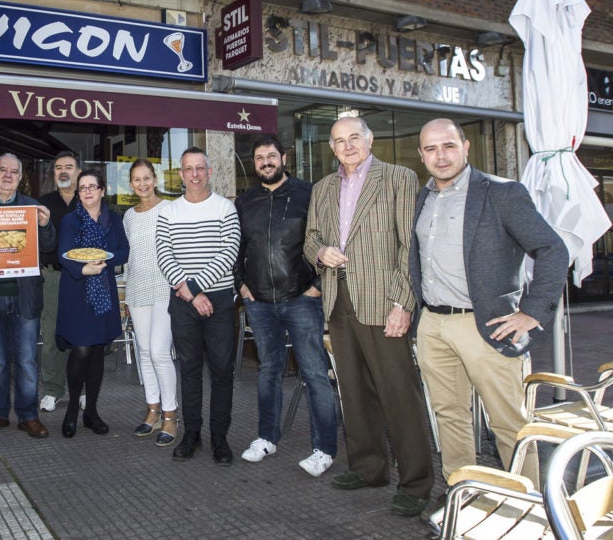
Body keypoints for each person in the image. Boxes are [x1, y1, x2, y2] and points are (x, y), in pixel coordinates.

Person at [410, 118, 568, 511]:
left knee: (508, 421)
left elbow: (552, 250)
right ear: (421, 155)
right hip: (433, 324)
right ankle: (463, 492)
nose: (440, 156)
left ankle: (523, 503)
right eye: (430, 149)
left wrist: (531, 312)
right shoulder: (421, 198)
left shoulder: (502, 193)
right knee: (449, 414)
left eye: (448, 146)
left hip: (487, 326)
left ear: (465, 146)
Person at [304, 116, 434, 517]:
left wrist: (402, 303)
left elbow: (408, 247)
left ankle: (416, 483)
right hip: (339, 301)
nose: (347, 146)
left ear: (369, 139)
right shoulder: (323, 187)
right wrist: (320, 253)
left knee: (399, 393)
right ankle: (368, 467)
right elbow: (310, 238)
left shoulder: (398, 178)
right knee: (354, 393)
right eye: (339, 141)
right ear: (331, 146)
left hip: (384, 303)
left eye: (354, 138)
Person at [235, 135, 337, 476]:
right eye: (260, 157)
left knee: (315, 374)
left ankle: (324, 449)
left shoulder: (309, 195)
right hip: (259, 302)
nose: (266, 162)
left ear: (284, 157)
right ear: (255, 163)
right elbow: (237, 246)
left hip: (301, 300)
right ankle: (266, 437)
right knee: (268, 372)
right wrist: (242, 285)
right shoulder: (245, 201)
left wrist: (318, 287)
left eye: (271, 156)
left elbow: (330, 239)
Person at [155, 147, 240, 465]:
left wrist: (195, 287)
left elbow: (229, 252)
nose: (194, 174)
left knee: (222, 372)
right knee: (189, 371)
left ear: (209, 171)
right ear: (181, 174)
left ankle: (220, 438)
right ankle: (191, 435)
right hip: (183, 302)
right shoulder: (169, 212)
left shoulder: (225, 208)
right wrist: (191, 294)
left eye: (200, 168)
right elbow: (164, 254)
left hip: (218, 300)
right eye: (188, 168)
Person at [0, 154, 56, 438]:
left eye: (14, 171)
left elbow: (49, 245)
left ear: (21, 178)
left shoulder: (32, 207)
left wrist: (45, 225)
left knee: (28, 360)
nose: (8, 175)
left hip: (24, 296)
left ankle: (29, 416)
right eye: (2, 170)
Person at [56, 170, 129, 438]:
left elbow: (124, 250)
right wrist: (83, 269)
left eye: (92, 186)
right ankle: (73, 408)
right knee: (82, 350)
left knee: (97, 350)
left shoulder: (114, 220)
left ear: (102, 190)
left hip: (104, 291)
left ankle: (92, 412)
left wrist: (104, 262)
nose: (87, 191)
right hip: (77, 291)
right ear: (78, 193)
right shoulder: (70, 220)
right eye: (82, 187)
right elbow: (64, 253)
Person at [122, 158, 178, 446]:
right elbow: (131, 256)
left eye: (146, 178)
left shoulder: (170, 208)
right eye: (136, 179)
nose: (142, 184)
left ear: (155, 179)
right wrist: (126, 294)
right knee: (144, 351)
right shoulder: (129, 216)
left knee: (159, 351)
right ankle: (152, 410)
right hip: (137, 288)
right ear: (131, 184)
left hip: (165, 287)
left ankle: (171, 414)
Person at [37, 151, 81, 413]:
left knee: (82, 335)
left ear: (78, 171)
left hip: (83, 277)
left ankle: (83, 389)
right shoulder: (42, 204)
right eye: (59, 168)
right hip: (52, 277)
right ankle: (53, 390)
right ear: (53, 174)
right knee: (52, 335)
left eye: (69, 167)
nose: (64, 171)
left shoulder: (89, 200)